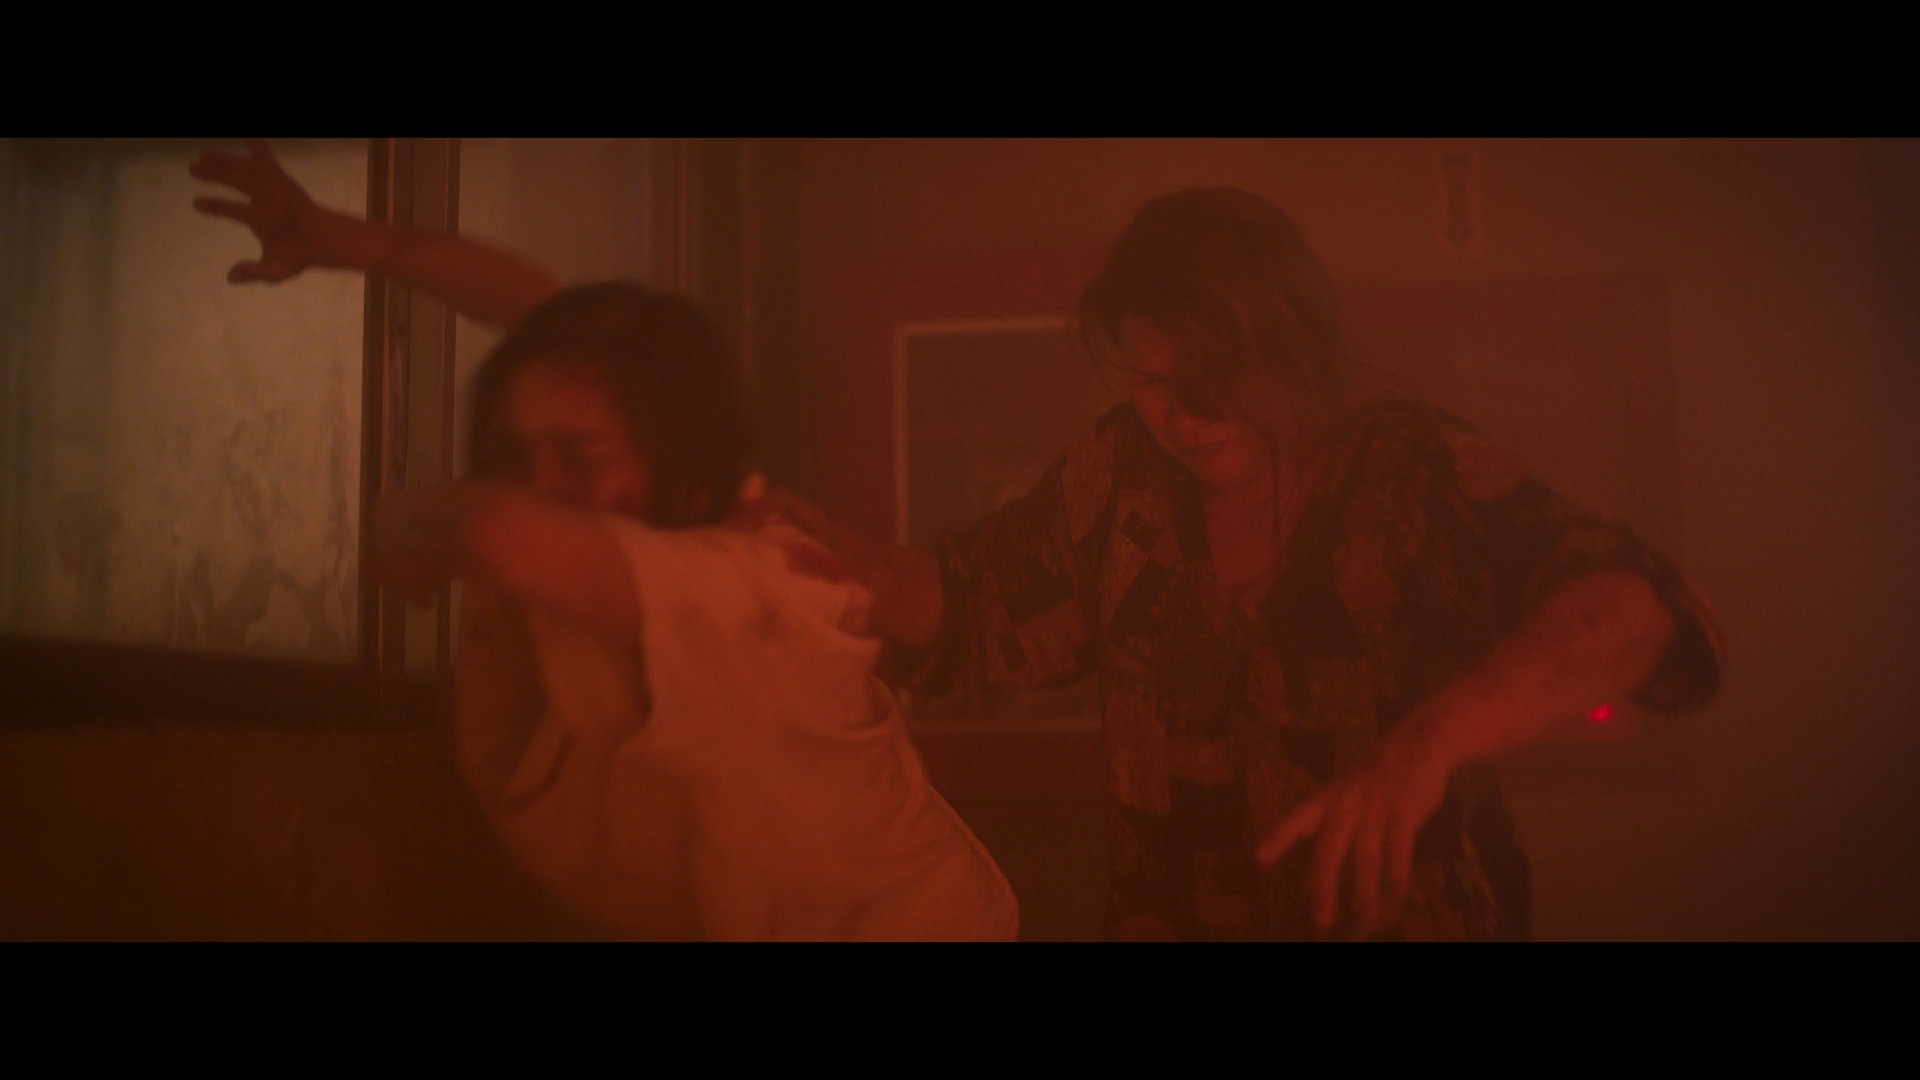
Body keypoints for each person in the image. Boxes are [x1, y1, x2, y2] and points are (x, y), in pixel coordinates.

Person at [781, 186, 1726, 941]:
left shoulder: (1414, 471)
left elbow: (1637, 612)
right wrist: (832, 562)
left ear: (1293, 344)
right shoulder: (1118, 476)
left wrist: (1423, 748)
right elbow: (968, 605)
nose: (1185, 414)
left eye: (1214, 373)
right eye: (1154, 380)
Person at [191, 141, 1018, 942]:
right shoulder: (611, 518)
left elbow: (502, 534)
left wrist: (431, 530)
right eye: (513, 454)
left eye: (579, 459)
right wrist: (354, 242)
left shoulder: (768, 580)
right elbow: (534, 305)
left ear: (681, 472)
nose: (536, 485)